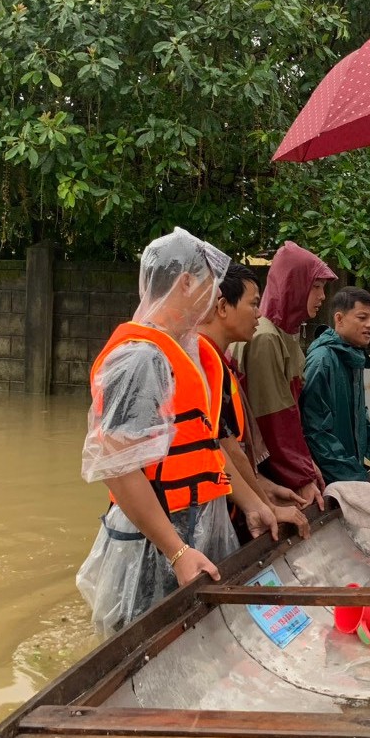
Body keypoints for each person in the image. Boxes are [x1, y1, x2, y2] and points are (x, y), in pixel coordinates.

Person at [76, 228, 279, 636]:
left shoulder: (189, 350)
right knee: (140, 643)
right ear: (186, 282)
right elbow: (119, 467)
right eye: (208, 285)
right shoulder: (139, 359)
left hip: (200, 526)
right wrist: (178, 551)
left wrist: (250, 502)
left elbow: (206, 446)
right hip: (155, 546)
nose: (213, 297)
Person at [199, 263, 310, 541]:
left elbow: (231, 446)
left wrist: (265, 488)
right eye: (253, 304)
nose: (259, 314)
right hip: (209, 514)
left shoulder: (221, 364)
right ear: (223, 307)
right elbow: (223, 447)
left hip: (227, 506)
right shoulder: (204, 366)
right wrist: (263, 504)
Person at [237, 242, 335, 511]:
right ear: (294, 284)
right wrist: (300, 476)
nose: (322, 296)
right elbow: (273, 419)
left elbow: (289, 416)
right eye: (316, 286)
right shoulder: (266, 337)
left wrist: (306, 464)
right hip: (264, 475)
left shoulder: (283, 334)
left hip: (266, 471)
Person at [301, 286, 370, 483]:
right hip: (332, 478)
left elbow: (359, 418)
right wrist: (353, 477)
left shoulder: (352, 356)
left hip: (348, 470)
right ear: (339, 319)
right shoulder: (322, 361)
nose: (369, 325)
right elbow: (315, 432)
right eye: (362, 318)